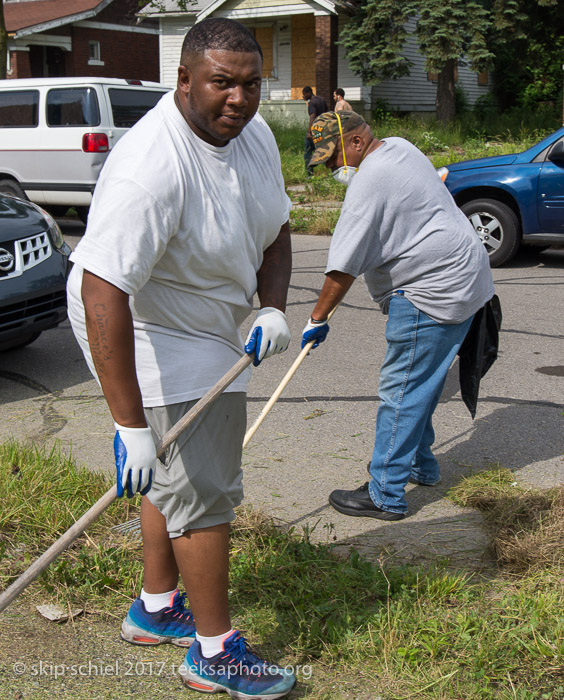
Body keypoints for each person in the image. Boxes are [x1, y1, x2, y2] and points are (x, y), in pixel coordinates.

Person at [67, 17, 296, 699]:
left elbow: (277, 230)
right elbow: (102, 289)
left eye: (251, 84)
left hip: (209, 318)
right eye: (222, 83)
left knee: (174, 477)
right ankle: (212, 652)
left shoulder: (250, 134)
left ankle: (158, 607)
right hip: (141, 326)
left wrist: (270, 306)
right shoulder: (150, 168)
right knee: (202, 487)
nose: (239, 98)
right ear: (185, 80)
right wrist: (130, 425)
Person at [301, 111, 494, 520]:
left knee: (402, 390)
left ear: (355, 142)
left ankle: (385, 493)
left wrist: (317, 319)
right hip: (464, 277)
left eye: (333, 158)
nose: (334, 169)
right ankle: (422, 466)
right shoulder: (400, 147)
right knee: (420, 381)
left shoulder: (370, 180)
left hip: (433, 290)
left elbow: (343, 266)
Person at [301, 85, 327, 177]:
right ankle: (331, 169)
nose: (303, 96)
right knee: (322, 151)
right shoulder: (322, 100)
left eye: (304, 94)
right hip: (323, 130)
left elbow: (312, 116)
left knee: (308, 152)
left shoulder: (312, 102)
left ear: (308, 93)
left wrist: (309, 132)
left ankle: (309, 174)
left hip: (314, 131)